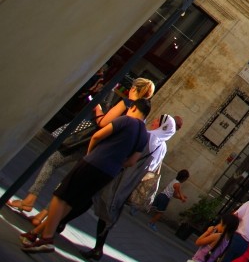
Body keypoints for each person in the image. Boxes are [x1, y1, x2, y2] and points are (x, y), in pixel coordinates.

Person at [7, 77, 156, 223]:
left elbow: (103, 123)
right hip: (106, 153)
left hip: (91, 145)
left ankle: (30, 199)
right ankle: (43, 215)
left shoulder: (127, 104)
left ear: (134, 89)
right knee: (70, 180)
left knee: (53, 162)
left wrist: (97, 108)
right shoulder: (141, 117)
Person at [20, 98, 151, 254]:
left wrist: (90, 154)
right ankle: (36, 234)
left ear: (135, 108)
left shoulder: (126, 120)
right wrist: (115, 162)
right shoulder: (144, 135)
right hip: (108, 173)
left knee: (60, 196)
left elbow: (98, 136)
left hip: (94, 162)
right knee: (71, 202)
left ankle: (47, 238)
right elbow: (131, 162)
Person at [81, 113, 181, 260]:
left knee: (98, 200)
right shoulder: (163, 146)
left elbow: (131, 155)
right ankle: (97, 246)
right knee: (109, 208)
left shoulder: (148, 136)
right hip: (132, 183)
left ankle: (94, 245)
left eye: (157, 121)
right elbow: (153, 167)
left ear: (162, 126)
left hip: (122, 176)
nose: (153, 121)